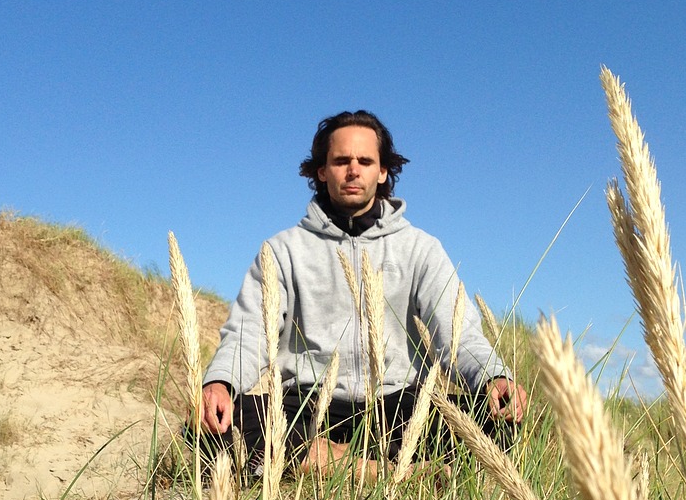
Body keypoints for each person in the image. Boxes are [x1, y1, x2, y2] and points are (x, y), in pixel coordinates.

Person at [199, 109, 526, 476]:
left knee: (502, 419)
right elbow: (249, 333)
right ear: (322, 171)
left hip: (399, 408)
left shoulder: (420, 248)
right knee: (211, 427)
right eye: (341, 160)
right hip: (308, 406)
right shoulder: (283, 250)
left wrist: (494, 376)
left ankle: (322, 462)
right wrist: (220, 382)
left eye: (365, 161)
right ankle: (388, 473)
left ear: (383, 171)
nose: (353, 170)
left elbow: (457, 334)